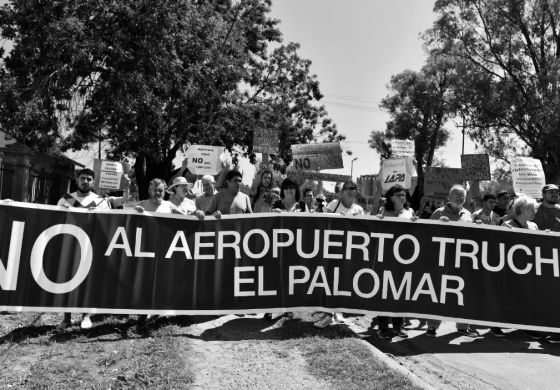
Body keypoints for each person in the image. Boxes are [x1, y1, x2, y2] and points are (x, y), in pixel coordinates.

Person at [56, 168, 110, 330]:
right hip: (69, 244)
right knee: (67, 280)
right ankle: (67, 318)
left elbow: (108, 225)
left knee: (88, 280)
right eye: (82, 178)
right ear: (76, 180)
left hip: (90, 246)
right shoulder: (65, 200)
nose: (85, 182)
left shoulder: (100, 201)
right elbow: (53, 220)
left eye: (88, 179)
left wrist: (98, 216)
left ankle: (86, 316)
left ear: (93, 182)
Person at [426, 185, 479, 338]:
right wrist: (438, 226)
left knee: (463, 293)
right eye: (456, 194)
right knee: (439, 293)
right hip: (443, 260)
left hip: (463, 261)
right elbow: (427, 233)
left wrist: (478, 227)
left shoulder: (468, 215)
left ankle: (463, 326)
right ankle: (432, 326)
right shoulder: (438, 213)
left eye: (463, 195)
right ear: (449, 197)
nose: (459, 197)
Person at [314, 181, 364, 328]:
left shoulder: (359, 210)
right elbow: (323, 221)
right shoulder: (334, 204)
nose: (350, 191)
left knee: (342, 284)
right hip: (333, 251)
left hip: (349, 253)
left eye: (353, 189)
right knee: (330, 282)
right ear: (342, 192)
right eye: (347, 189)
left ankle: (336, 312)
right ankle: (329, 315)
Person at [373, 185, 416, 339]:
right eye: (399, 195)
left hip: (403, 260)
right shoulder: (383, 212)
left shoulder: (410, 213)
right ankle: (383, 327)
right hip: (385, 259)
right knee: (383, 293)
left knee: (400, 293)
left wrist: (416, 224)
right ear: (391, 197)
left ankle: (399, 326)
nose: (402, 197)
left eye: (404, 195)